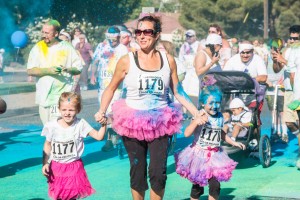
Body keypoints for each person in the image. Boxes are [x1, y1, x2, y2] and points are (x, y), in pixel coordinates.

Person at [94, 15, 207, 200]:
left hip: (160, 120)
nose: (142, 36)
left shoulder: (168, 60)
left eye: (147, 31)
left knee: (158, 172)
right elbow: (111, 88)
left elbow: (178, 91)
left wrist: (196, 113)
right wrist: (102, 110)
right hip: (132, 121)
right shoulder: (126, 60)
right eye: (139, 32)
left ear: (157, 35)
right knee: (137, 170)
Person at [175, 85, 245, 200]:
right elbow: (187, 133)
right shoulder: (200, 115)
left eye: (217, 103)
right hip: (199, 156)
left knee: (215, 185)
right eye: (211, 103)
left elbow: (221, 133)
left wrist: (233, 142)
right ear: (203, 103)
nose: (215, 106)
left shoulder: (220, 116)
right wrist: (195, 122)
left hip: (215, 156)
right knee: (197, 186)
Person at [41, 92, 107, 200]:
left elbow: (99, 137)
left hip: (74, 168)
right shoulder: (52, 126)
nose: (67, 113)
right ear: (59, 109)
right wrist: (45, 163)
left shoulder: (81, 124)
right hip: (56, 168)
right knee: (58, 196)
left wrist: (103, 124)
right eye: (64, 110)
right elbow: (47, 145)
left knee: (72, 196)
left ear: (77, 110)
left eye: (71, 110)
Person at [27, 19, 82, 124]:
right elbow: (30, 70)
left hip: (62, 97)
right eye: (43, 32)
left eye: (47, 33)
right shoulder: (38, 47)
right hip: (44, 97)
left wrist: (68, 69)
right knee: (48, 129)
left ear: (56, 33)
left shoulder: (67, 47)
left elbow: (78, 68)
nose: (44, 35)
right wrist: (49, 71)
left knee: (61, 128)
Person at [91, 26, 128, 154]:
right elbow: (95, 62)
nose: (113, 41)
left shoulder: (123, 49)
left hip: (117, 88)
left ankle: (111, 140)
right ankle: (112, 138)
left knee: (113, 114)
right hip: (103, 86)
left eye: (116, 38)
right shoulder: (101, 46)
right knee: (104, 114)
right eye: (110, 39)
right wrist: (92, 75)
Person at [223, 41, 268, 125]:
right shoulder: (233, 60)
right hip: (238, 93)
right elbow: (225, 76)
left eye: (248, 52)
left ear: (252, 52)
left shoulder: (258, 59)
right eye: (242, 53)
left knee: (254, 118)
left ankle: (255, 136)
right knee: (236, 116)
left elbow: (263, 77)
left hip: (255, 94)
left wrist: (248, 80)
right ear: (239, 52)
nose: (245, 55)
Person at [272, 25, 300, 146]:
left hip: (298, 91)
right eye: (291, 38)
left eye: (295, 39)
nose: (292, 41)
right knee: (289, 122)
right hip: (289, 91)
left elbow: (295, 71)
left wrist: (283, 60)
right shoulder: (287, 50)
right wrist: (275, 60)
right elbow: (277, 70)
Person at [179, 29, 201, 107]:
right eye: (187, 36)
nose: (188, 38)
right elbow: (181, 59)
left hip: (195, 72)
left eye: (190, 36)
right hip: (187, 72)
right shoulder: (184, 46)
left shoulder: (199, 45)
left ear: (195, 37)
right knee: (185, 92)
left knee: (195, 92)